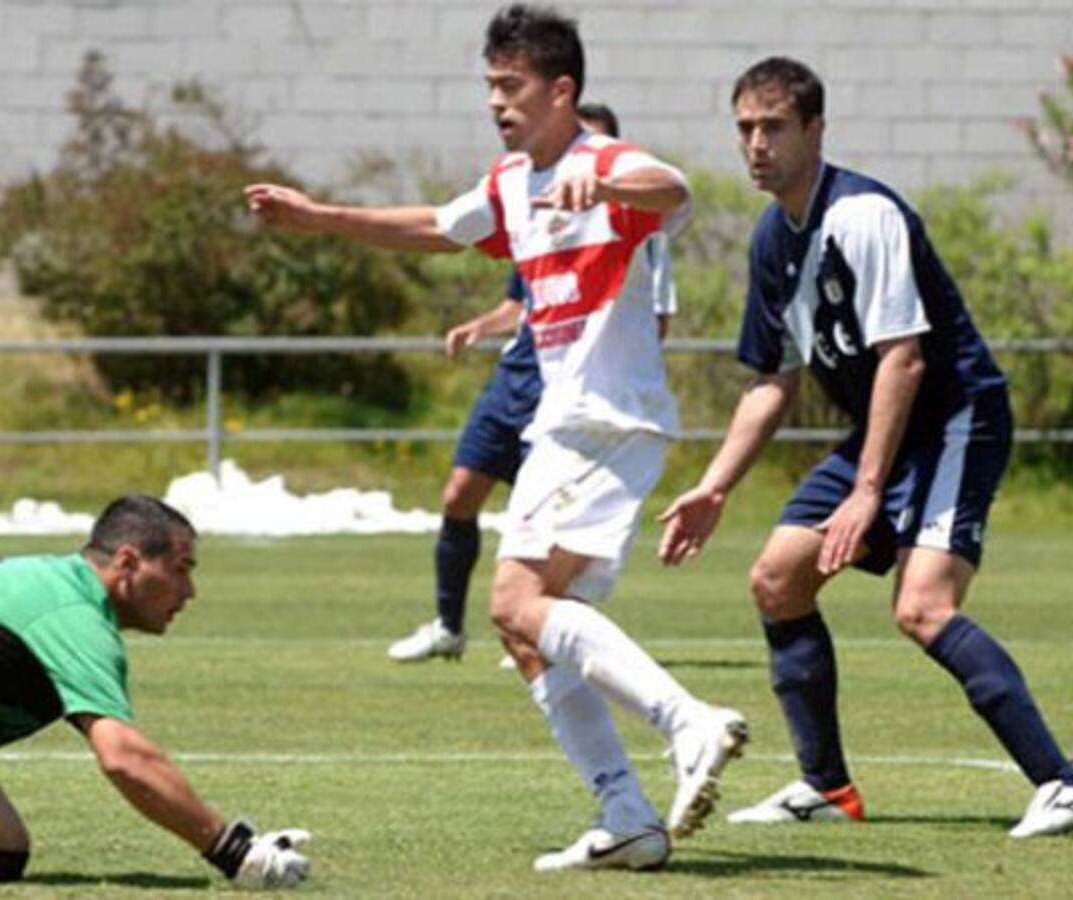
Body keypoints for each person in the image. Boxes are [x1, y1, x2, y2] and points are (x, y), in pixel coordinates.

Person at [247, 4, 746, 872]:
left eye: (511, 87)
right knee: (533, 627)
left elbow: (675, 190)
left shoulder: (602, 163)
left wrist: (611, 186)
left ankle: (688, 723)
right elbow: (438, 228)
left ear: (562, 90)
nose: (496, 102)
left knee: (513, 603)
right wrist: (319, 218)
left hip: (600, 417)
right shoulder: (514, 180)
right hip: (580, 421)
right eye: (490, 86)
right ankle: (626, 814)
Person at [658, 56, 1073, 839]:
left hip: (956, 417)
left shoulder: (863, 216)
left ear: (816, 130)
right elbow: (772, 382)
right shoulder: (770, 239)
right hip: (889, 430)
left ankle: (1060, 780)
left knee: (921, 608)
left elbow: (905, 358)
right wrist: (714, 488)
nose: (756, 144)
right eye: (745, 128)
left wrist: (867, 489)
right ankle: (826, 786)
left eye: (774, 127)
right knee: (778, 579)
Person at [388, 101, 678, 666]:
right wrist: (480, 326)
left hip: (577, 394)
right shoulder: (532, 206)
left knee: (548, 548)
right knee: (459, 494)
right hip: (518, 377)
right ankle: (453, 624)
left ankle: (541, 622)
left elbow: (654, 305)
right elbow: (518, 301)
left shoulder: (636, 228)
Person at [0, 495, 313, 887]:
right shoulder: (76, 619)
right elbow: (123, 757)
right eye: (180, 570)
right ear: (127, 563)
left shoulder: (62, 590)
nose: (190, 591)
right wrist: (234, 852)